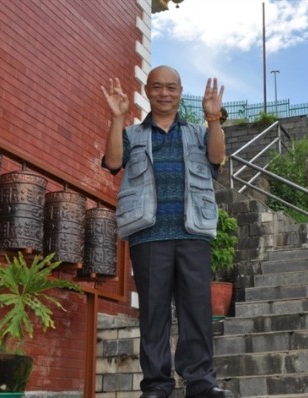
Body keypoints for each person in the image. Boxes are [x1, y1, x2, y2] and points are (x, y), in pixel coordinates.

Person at [101, 65, 234, 398]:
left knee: (197, 311)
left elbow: (217, 158)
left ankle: (201, 382)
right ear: (147, 91)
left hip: (193, 232)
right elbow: (114, 162)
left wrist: (213, 119)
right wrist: (117, 118)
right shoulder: (132, 134)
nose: (164, 93)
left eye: (171, 87)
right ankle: (157, 385)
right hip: (148, 234)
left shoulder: (196, 132)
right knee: (154, 312)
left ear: (179, 91)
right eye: (157, 87)